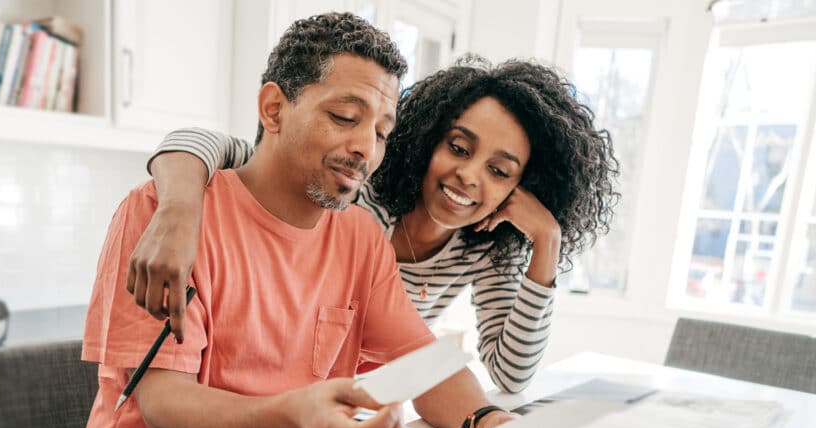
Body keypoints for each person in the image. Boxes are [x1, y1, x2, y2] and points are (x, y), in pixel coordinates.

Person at [75, 14, 563, 428]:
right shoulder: (165, 216)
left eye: (381, 132)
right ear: (273, 109)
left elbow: (424, 364)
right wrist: (300, 416)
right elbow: (166, 412)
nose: (366, 148)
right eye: (345, 116)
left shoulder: (358, 238)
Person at [130, 56, 620, 394]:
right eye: (458, 147)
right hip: (289, 408)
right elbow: (208, 143)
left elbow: (511, 375)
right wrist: (176, 212)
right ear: (427, 139)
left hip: (357, 414)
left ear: (519, 189)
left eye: (499, 171)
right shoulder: (357, 190)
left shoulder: (485, 248)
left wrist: (546, 243)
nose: (469, 177)